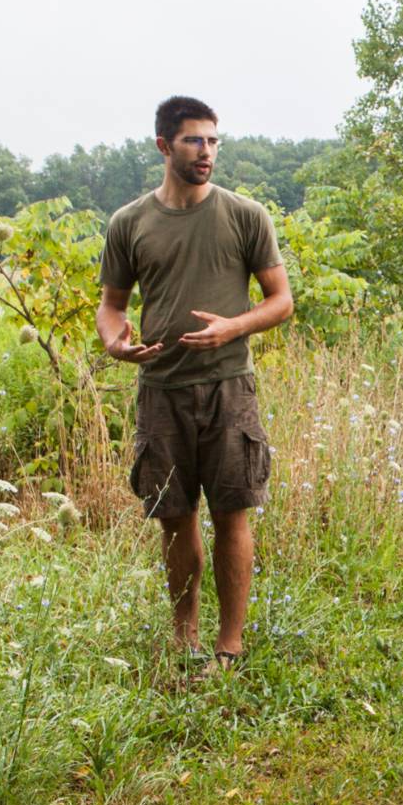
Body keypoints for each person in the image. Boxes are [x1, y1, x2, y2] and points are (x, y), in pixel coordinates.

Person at [97, 95, 293, 669]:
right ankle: (185, 640)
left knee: (233, 512)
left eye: (213, 141)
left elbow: (281, 302)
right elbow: (111, 306)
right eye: (194, 141)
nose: (206, 151)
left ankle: (228, 647)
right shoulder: (129, 223)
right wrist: (115, 342)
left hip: (229, 386)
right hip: (161, 391)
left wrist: (235, 325)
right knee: (174, 517)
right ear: (164, 146)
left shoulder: (245, 215)